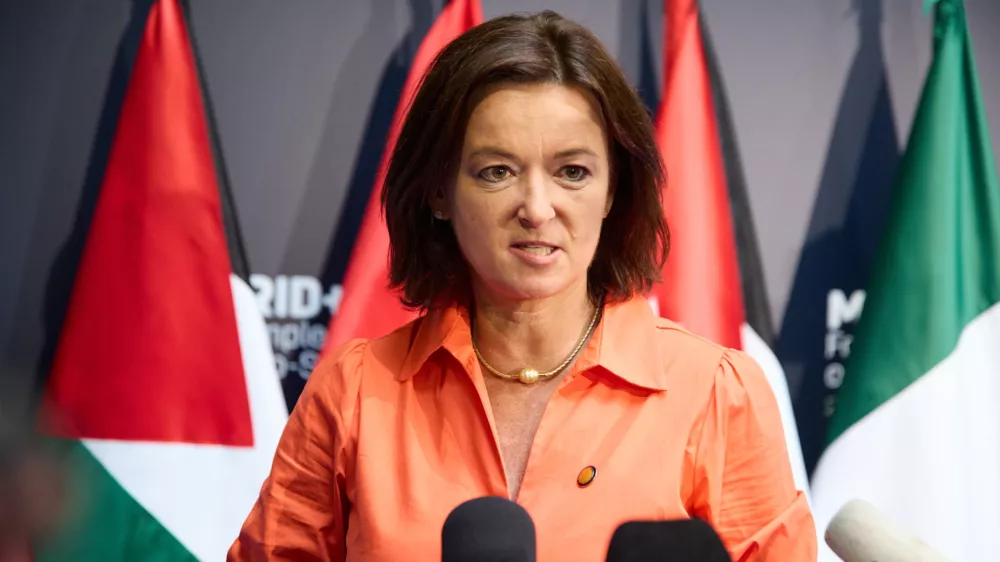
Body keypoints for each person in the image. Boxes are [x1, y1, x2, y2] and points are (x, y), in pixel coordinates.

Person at [229, 10, 816, 562]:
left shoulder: (715, 393)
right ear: (438, 192)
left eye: (572, 172)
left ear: (614, 191)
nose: (538, 208)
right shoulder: (354, 390)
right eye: (497, 171)